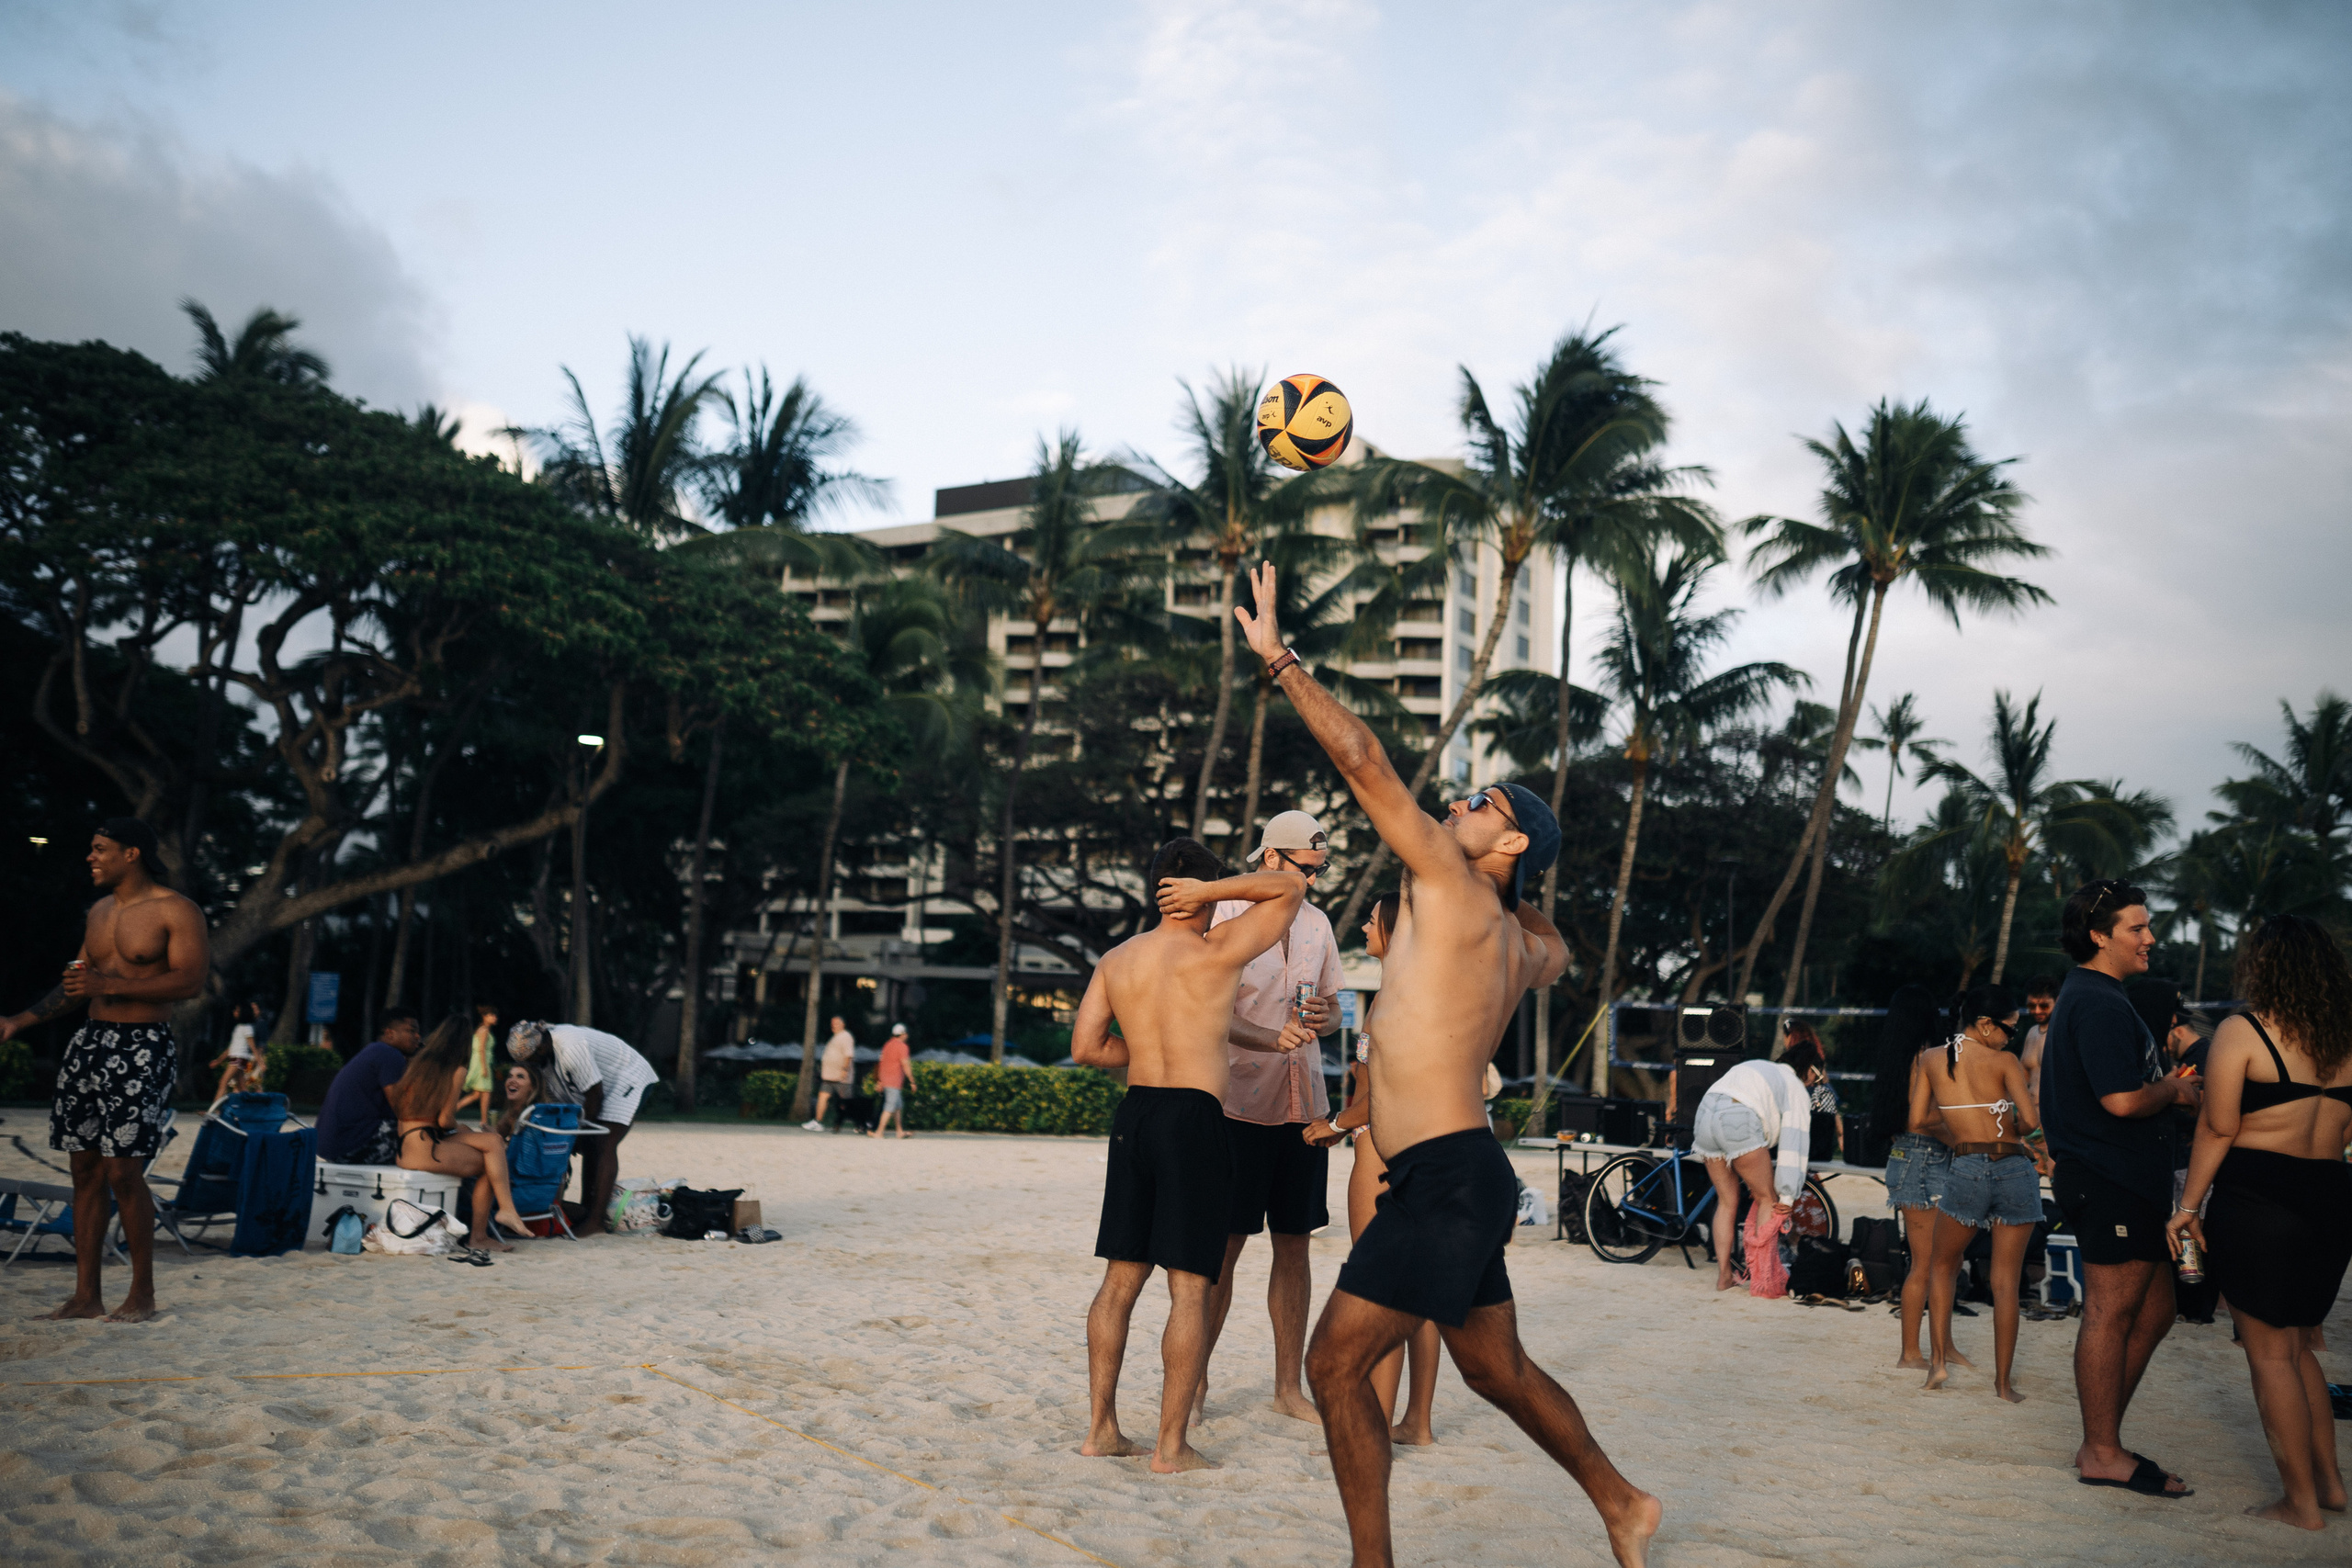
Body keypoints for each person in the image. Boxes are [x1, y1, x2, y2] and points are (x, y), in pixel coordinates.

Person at [1237, 563, 1660, 1568]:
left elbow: (1366, 764)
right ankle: (1622, 1500)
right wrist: (1519, 877)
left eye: (1478, 802)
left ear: (1505, 837)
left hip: (1440, 1182)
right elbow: (1556, 945)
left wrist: (1281, 663)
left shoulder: (1453, 884)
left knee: (1333, 1367)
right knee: (1497, 1371)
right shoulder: (1521, 938)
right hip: (1464, 1171)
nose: (1455, 805)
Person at [1070, 837, 1306, 1473]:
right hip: (1194, 1119)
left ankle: (1101, 1430)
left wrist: (1147, 1053)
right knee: (1190, 1288)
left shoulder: (1118, 958)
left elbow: (1088, 1047)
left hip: (1138, 1113)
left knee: (1120, 1280)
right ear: (1202, 890)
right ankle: (1171, 1446)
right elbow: (1289, 888)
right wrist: (1213, 893)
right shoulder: (1217, 950)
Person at [2165, 914, 2352, 1529]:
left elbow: (2217, 1125)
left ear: (2263, 966)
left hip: (2259, 1197)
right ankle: (2329, 1486)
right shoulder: (2346, 1040)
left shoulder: (2243, 1031)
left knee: (2269, 1354)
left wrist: (2188, 1208)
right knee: (2300, 1347)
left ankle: (2298, 1502)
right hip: (2329, 1196)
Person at [0, 818, 210, 1324]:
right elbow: (78, 985)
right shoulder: (98, 912)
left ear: (132, 853)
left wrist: (107, 986)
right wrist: (19, 1020)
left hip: (141, 1046)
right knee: (84, 1169)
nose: (90, 858)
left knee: (123, 1169)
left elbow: (189, 982)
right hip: (89, 1043)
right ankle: (85, 1296)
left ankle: (142, 1295)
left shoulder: (176, 910)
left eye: (100, 849)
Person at [2041, 877, 2201, 1500]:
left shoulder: (2093, 995)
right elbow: (2122, 1098)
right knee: (2110, 1311)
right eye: (2137, 927)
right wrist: (2177, 1090)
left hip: (2124, 1175)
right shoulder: (2100, 1002)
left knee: (2156, 1308)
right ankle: (2102, 1449)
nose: (2150, 938)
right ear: (2099, 935)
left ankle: (2101, 1433)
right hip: (2107, 1174)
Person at [1197, 808, 1344, 1427]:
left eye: (1320, 869)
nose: (1313, 880)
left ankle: (1288, 1386)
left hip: (1302, 1104)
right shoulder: (1225, 916)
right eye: (1305, 868)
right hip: (1236, 1103)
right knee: (1223, 1248)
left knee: (1295, 1244)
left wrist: (1324, 1020)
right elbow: (1204, 1008)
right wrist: (1265, 1037)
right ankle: (1193, 1381)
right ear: (1271, 859)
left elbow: (1335, 1006)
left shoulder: (1318, 923)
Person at [1304, 893, 1439, 1447]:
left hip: (1380, 1155)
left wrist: (1333, 1124)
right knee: (1418, 1292)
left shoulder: (1396, 999)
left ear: (1394, 928)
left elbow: (1388, 1091)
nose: (1363, 924)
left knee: (1381, 1289)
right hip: (1413, 1155)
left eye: (1372, 919)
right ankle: (1417, 1423)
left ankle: (1379, 1427)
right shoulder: (1418, 993)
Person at [1911, 983, 2052, 1403]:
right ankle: (2004, 1385)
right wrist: (2002, 1120)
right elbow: (2029, 1123)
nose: (2012, 1035)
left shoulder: (1931, 1059)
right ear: (1986, 1025)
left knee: (1942, 1266)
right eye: (2010, 1027)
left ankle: (1937, 1364)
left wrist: (1961, 1133)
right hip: (2013, 1169)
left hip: (1968, 1167)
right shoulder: (2005, 1061)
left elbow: (1918, 1119)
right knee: (2006, 1282)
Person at [387, 1014, 530, 1250]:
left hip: (407, 1147)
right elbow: (445, 1121)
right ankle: (485, 1231)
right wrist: (458, 1128)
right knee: (490, 1160)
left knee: (490, 1141)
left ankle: (503, 1213)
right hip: (426, 1148)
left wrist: (459, 1130)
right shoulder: (456, 1070)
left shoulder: (417, 1064)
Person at [506, 1020, 660, 1238]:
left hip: (627, 1076)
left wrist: (577, 1134)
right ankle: (587, 1210)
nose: (531, 1064)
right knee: (591, 1146)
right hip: (598, 1085)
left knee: (604, 1143)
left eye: (532, 1058)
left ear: (541, 1046)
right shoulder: (545, 1053)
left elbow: (594, 1094)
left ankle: (595, 1221)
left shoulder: (570, 1047)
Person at [1692, 1042, 1824, 1294]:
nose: (1813, 1083)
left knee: (1726, 1201)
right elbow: (1793, 1142)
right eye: (1816, 1077)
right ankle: (1762, 1278)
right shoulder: (1794, 1085)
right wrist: (1787, 1195)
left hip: (1705, 1113)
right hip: (1737, 1118)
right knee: (1767, 1199)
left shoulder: (1760, 1067)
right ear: (1807, 1069)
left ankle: (1724, 1277)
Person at [1873, 985, 1958, 1369]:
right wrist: (1963, 1137)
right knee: (1928, 1264)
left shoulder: (1896, 1057)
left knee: (1938, 1264)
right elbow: (1922, 1118)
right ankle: (1912, 1352)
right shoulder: (1927, 1056)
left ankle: (1941, 1346)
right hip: (1925, 1159)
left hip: (1908, 1157)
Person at [316, 1010, 424, 1166]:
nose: (417, 1037)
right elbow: (404, 1110)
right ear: (390, 1033)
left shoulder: (375, 1051)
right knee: (427, 1138)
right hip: (352, 1145)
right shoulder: (389, 1055)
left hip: (333, 1146)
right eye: (411, 1030)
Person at [205, 999, 267, 1112]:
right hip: (236, 1058)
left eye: (237, 1010)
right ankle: (254, 1109)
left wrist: (260, 1063)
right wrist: (219, 1061)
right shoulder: (239, 1028)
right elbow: (231, 1048)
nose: (234, 1012)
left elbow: (253, 1048)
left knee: (223, 1082)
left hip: (239, 1059)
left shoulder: (247, 1028)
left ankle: (215, 1110)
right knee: (242, 1088)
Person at [804, 1016, 856, 1132]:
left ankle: (863, 1123)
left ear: (843, 1024)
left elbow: (848, 1055)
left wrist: (844, 1070)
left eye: (837, 1023)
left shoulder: (846, 1037)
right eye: (832, 1023)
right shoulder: (835, 1037)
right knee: (822, 1097)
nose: (834, 1025)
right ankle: (818, 1122)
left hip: (841, 1078)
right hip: (829, 1077)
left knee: (848, 1103)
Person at [455, 1004, 499, 1133]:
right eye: (491, 1015)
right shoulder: (484, 1030)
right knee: (486, 1092)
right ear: (484, 1017)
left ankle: (453, 1108)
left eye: (495, 1015)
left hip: (480, 1062)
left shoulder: (483, 1029)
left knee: (476, 1095)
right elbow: (481, 1050)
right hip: (481, 1063)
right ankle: (484, 1121)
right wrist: (485, 1068)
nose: (495, 1018)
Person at [871, 1022, 917, 1140]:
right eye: (906, 1033)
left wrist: (880, 1081)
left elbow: (881, 1063)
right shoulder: (902, 1047)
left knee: (898, 1106)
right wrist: (912, 1080)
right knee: (890, 1106)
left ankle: (899, 1131)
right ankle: (879, 1132)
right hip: (894, 1081)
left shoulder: (887, 1045)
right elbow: (905, 1064)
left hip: (886, 1080)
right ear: (902, 1034)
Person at [2018, 975, 2058, 1099]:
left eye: (2044, 1006)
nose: (2037, 1011)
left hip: (2052, 1113)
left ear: (2057, 1001)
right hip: (2030, 1110)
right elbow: (2023, 1076)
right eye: (2031, 1006)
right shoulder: (2032, 1032)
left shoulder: (2063, 1034)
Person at [494, 1060, 543, 1138]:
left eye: (520, 1077)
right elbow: (497, 1134)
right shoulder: (511, 1113)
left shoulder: (536, 1116)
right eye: (510, 1076)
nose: (512, 1081)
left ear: (533, 1086)